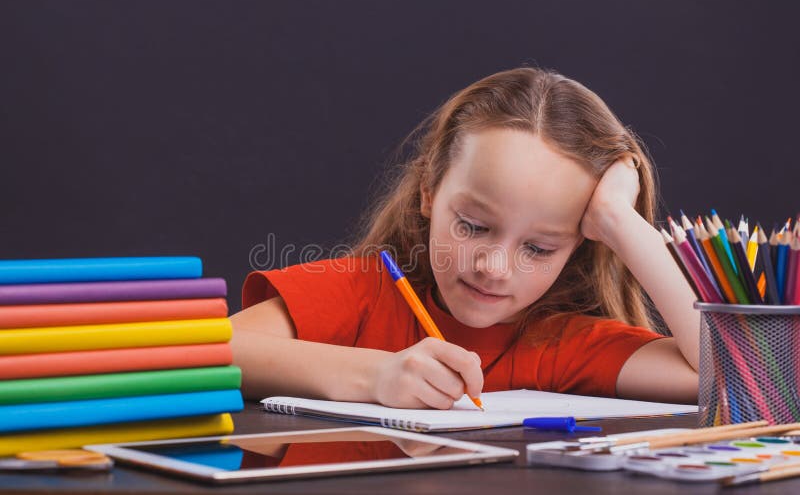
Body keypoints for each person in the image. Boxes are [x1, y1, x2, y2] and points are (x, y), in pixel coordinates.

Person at [231, 67, 699, 409]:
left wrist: (621, 222)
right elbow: (182, 358)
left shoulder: (559, 345)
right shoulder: (364, 292)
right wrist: (376, 376)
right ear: (428, 191)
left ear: (580, 243)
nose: (494, 267)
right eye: (473, 226)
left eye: (538, 248)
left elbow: (746, 376)